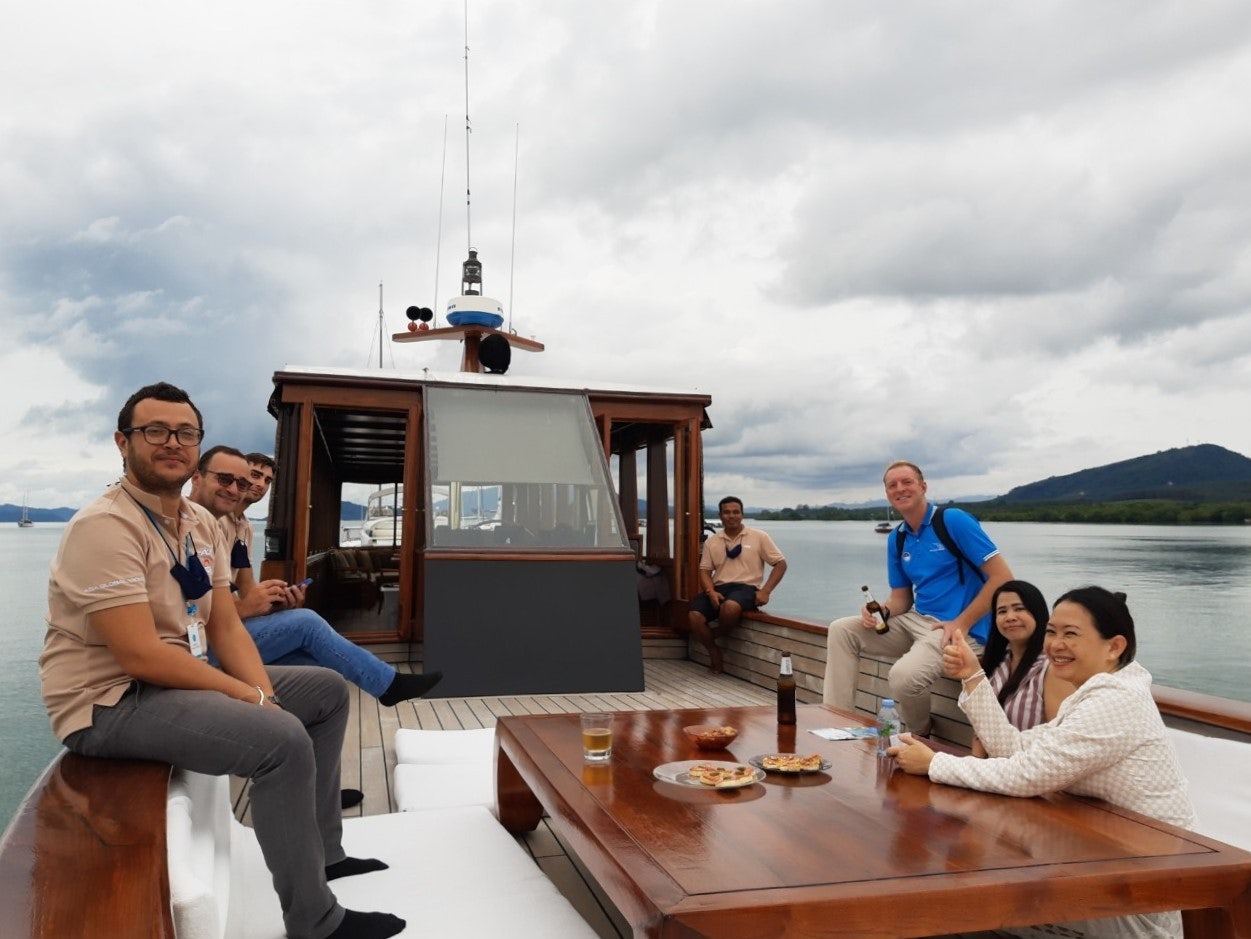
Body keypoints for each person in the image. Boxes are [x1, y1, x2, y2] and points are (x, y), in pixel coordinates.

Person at [38, 382, 405, 939]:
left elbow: (224, 622)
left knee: (326, 692)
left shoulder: (198, 522)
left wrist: (266, 695)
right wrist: (248, 699)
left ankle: (326, 851)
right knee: (281, 742)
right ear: (123, 442)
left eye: (186, 433)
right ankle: (316, 921)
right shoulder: (105, 527)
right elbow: (139, 655)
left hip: (177, 680)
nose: (172, 443)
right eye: (154, 430)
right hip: (110, 701)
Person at [891, 586, 1195, 939]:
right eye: (1052, 632)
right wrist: (974, 676)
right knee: (956, 898)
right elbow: (1016, 748)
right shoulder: (1091, 696)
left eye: (1071, 634)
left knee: (947, 905)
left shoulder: (1117, 701)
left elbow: (1028, 775)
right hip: (1097, 855)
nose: (1055, 645)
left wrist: (934, 765)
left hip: (1135, 888)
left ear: (1114, 647)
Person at [189, 446, 442, 707]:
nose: (256, 485)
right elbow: (200, 610)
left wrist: (276, 602)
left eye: (263, 480)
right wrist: (246, 607)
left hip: (228, 630)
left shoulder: (242, 527)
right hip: (207, 644)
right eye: (248, 477)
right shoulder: (196, 526)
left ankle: (285, 730)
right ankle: (389, 685)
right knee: (307, 623)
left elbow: (246, 593)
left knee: (326, 674)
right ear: (197, 477)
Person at [823, 460, 1012, 736]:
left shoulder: (953, 521)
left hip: (959, 629)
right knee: (841, 630)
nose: (900, 489)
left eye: (907, 482)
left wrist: (961, 622)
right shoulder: (897, 538)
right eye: (892, 485)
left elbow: (1003, 578)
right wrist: (882, 611)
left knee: (903, 677)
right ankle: (836, 722)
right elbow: (901, 598)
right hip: (918, 621)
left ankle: (919, 735)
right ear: (888, 494)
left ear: (923, 487)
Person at [684, 496, 787, 673]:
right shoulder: (712, 541)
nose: (731, 516)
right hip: (719, 587)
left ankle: (714, 635)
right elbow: (705, 571)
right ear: (720, 515)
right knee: (694, 616)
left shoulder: (759, 537)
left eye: (735, 512)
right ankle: (713, 650)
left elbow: (780, 564)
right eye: (727, 512)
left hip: (746, 588)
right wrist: (710, 592)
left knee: (730, 607)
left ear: (742, 514)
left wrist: (766, 591)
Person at [970, 580, 1073, 756]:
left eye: (1019, 609)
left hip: (1030, 772)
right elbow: (982, 731)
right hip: (989, 771)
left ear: (1038, 613)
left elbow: (1058, 740)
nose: (1010, 617)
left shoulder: (1052, 669)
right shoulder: (998, 664)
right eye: (1002, 611)